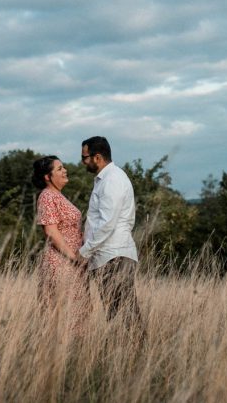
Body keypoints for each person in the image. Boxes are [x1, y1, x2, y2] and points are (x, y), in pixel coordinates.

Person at [77, 136, 144, 332]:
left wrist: (85, 252)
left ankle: (136, 348)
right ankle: (124, 348)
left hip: (113, 255)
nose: (83, 162)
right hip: (109, 254)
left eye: (84, 157)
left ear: (97, 157)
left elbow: (107, 223)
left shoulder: (112, 180)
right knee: (117, 313)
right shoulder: (105, 179)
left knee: (125, 312)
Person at [33, 155, 91, 330]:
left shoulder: (58, 196)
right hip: (61, 262)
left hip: (72, 263)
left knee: (77, 313)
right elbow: (51, 231)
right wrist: (74, 257)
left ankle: (73, 346)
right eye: (59, 169)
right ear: (47, 177)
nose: (65, 170)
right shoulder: (47, 196)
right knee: (65, 314)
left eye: (63, 167)